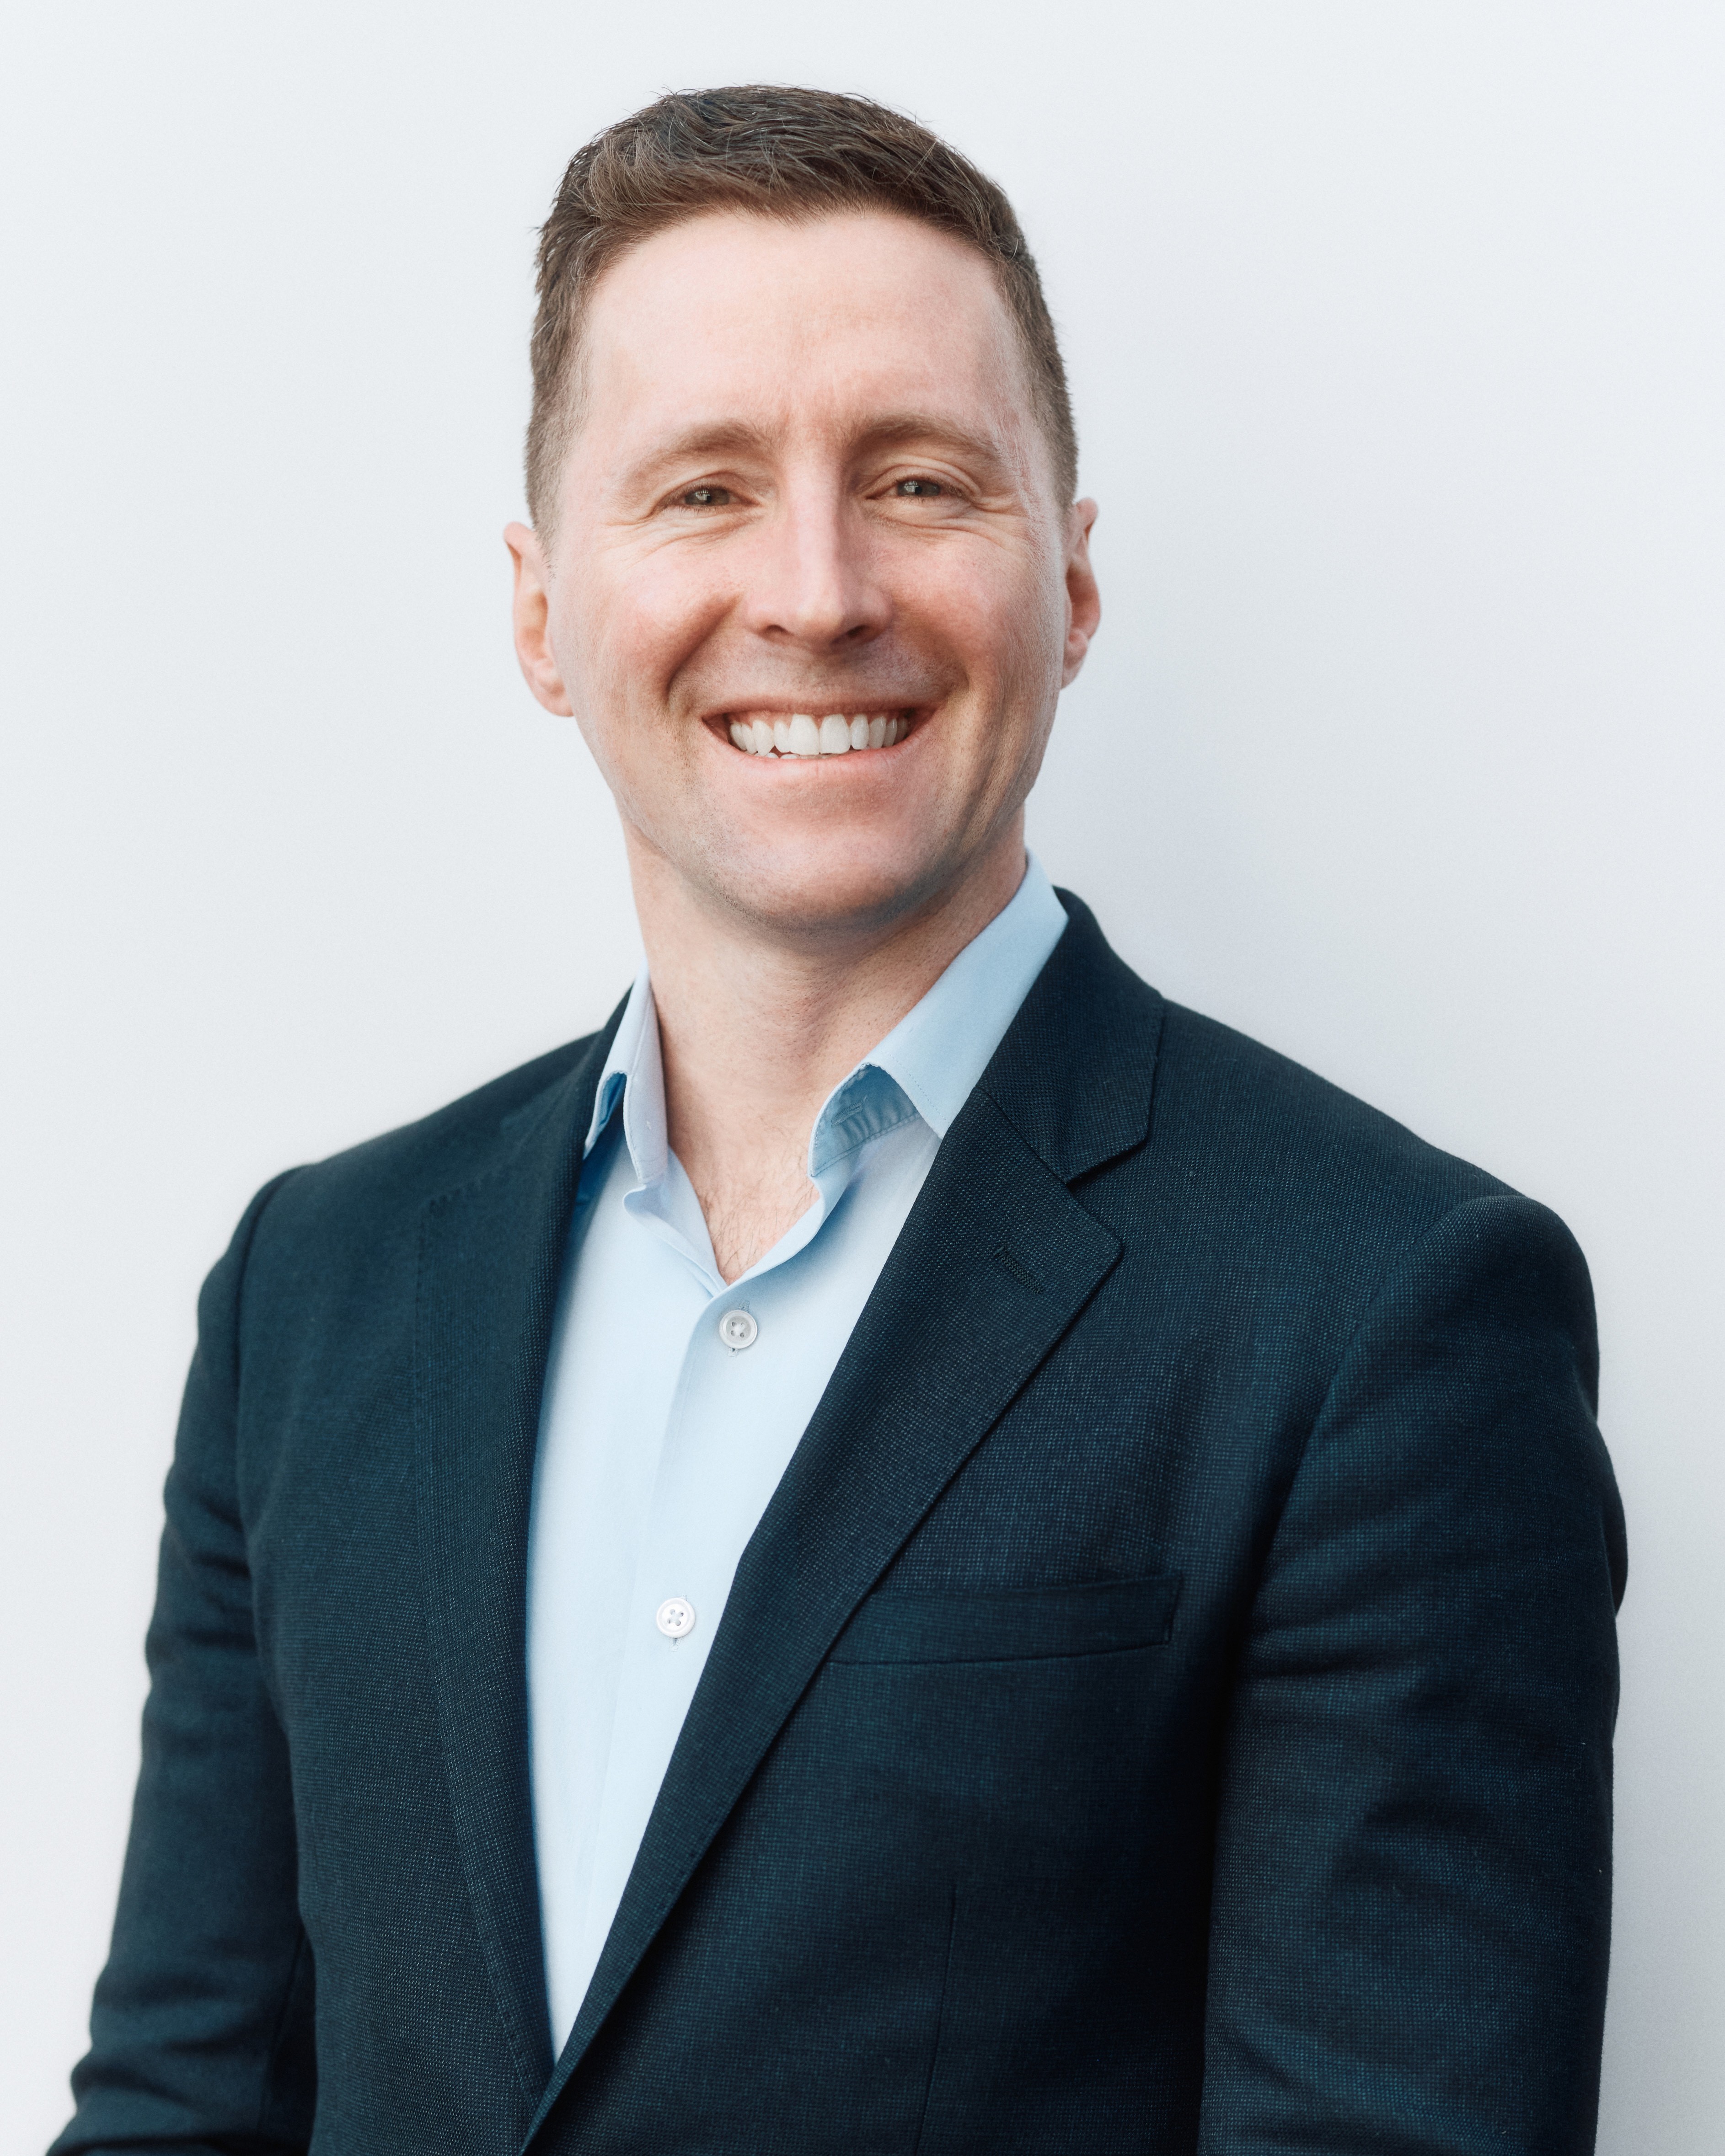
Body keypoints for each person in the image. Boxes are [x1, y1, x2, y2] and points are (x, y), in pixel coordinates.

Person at [54, 85, 1627, 2156]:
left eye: (916, 479)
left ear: (1068, 584)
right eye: (701, 489)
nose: (813, 590)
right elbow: (185, 2104)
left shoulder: (1382, 1315)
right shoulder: (316, 1291)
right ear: (541, 610)